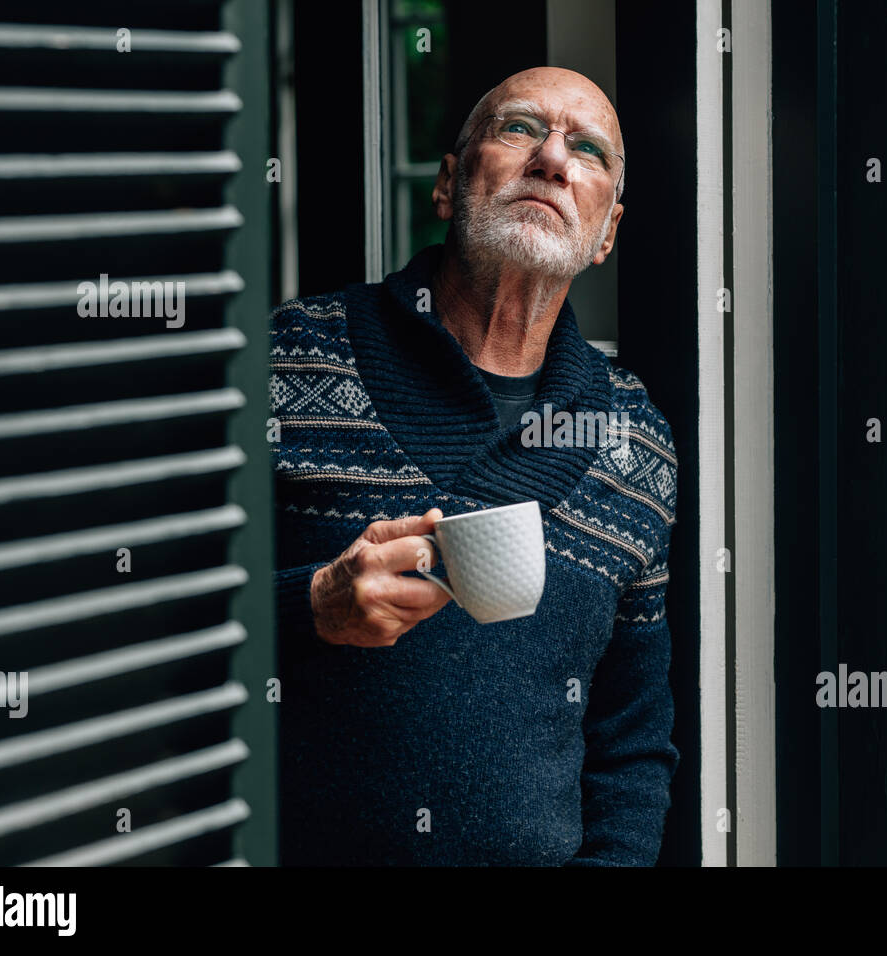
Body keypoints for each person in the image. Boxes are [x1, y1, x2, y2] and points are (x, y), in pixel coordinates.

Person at [270, 66, 679, 865]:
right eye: (520, 129)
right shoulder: (288, 364)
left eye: (587, 149)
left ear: (606, 235)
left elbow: (631, 743)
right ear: (450, 186)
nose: (553, 160)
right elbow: (148, 611)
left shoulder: (636, 441)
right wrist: (311, 605)